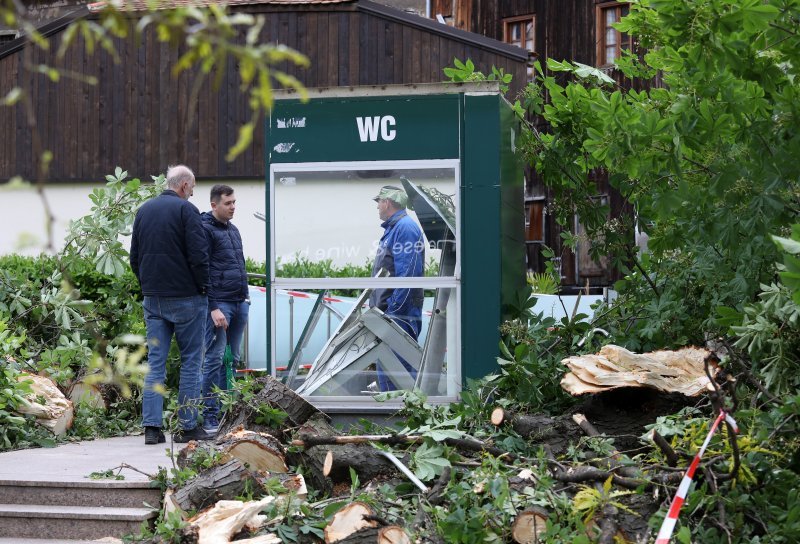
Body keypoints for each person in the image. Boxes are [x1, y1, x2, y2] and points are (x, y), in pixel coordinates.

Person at [130, 164, 212, 445]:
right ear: (184, 186)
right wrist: (203, 288)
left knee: (155, 363)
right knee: (191, 362)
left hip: (154, 299)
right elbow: (199, 255)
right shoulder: (186, 211)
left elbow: (135, 257)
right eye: (193, 189)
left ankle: (152, 429)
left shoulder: (144, 211)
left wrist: (148, 286)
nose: (192, 194)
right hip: (187, 298)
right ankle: (187, 427)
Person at [200, 184, 249, 434]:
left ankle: (227, 412)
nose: (233, 207)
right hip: (220, 305)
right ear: (214, 205)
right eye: (228, 203)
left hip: (239, 302)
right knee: (214, 359)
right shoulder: (205, 230)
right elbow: (203, 270)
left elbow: (238, 265)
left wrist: (246, 297)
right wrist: (213, 307)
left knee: (233, 359)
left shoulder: (234, 230)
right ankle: (209, 414)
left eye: (234, 202)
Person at [368, 185, 425, 391]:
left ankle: (402, 421)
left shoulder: (405, 228)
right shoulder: (397, 228)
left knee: (399, 377)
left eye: (378, 202)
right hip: (391, 316)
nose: (377, 208)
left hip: (399, 317)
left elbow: (408, 275)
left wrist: (394, 311)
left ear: (388, 202)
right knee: (390, 372)